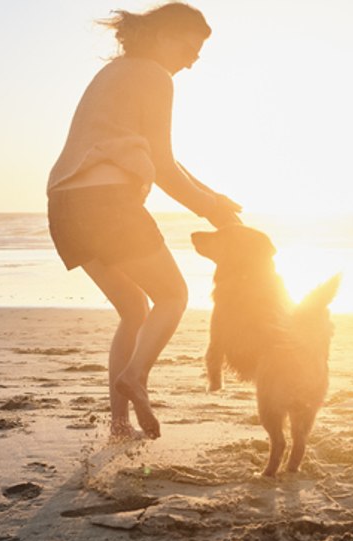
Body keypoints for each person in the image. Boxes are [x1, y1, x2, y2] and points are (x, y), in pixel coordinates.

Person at [47, 3, 241, 441]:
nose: (193, 59)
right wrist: (211, 210)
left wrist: (212, 196)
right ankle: (135, 377)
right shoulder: (155, 75)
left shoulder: (116, 72)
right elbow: (165, 167)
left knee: (134, 309)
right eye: (189, 47)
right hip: (105, 202)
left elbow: (163, 158)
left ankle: (119, 426)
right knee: (174, 295)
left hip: (63, 204)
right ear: (160, 36)